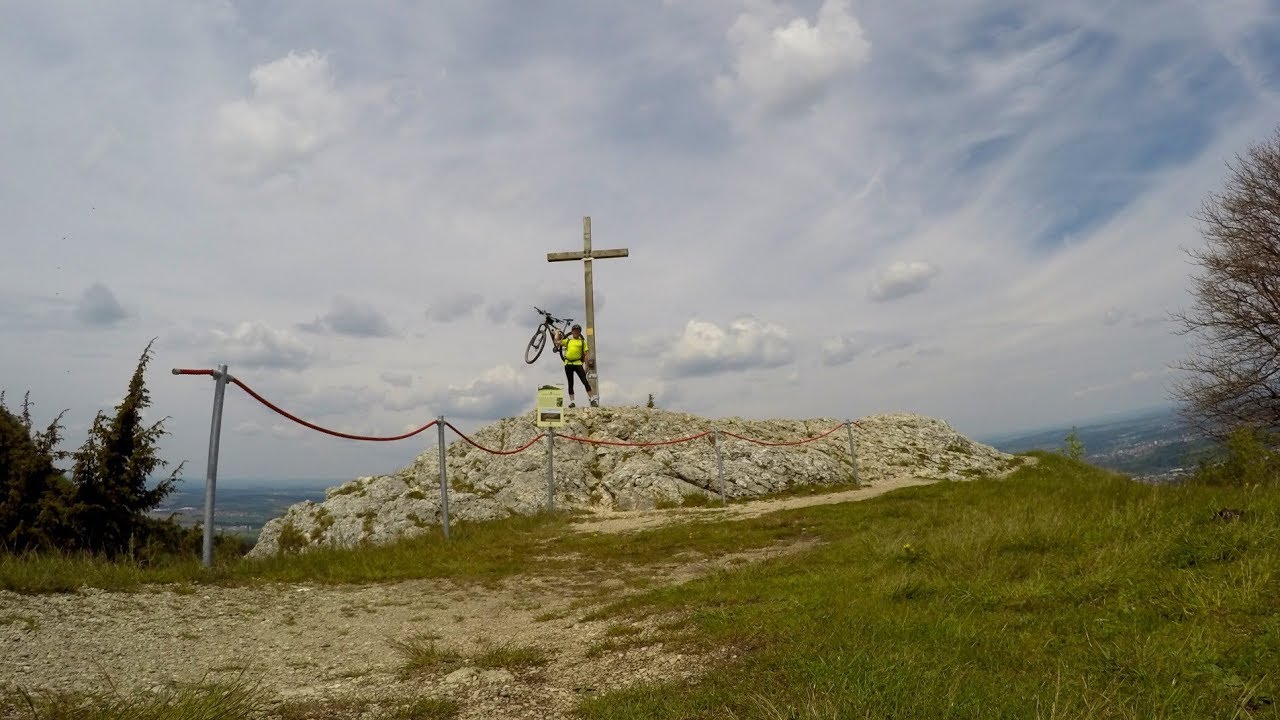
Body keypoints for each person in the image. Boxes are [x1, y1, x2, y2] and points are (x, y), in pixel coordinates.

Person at [555, 324, 598, 407]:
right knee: (570, 383)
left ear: (580, 332)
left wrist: (586, 367)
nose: (576, 332)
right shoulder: (568, 341)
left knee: (585, 381)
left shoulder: (582, 342)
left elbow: (585, 355)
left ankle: (593, 400)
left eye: (578, 331)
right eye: (574, 331)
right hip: (568, 363)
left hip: (578, 363)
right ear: (572, 332)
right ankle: (572, 402)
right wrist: (557, 332)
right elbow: (556, 341)